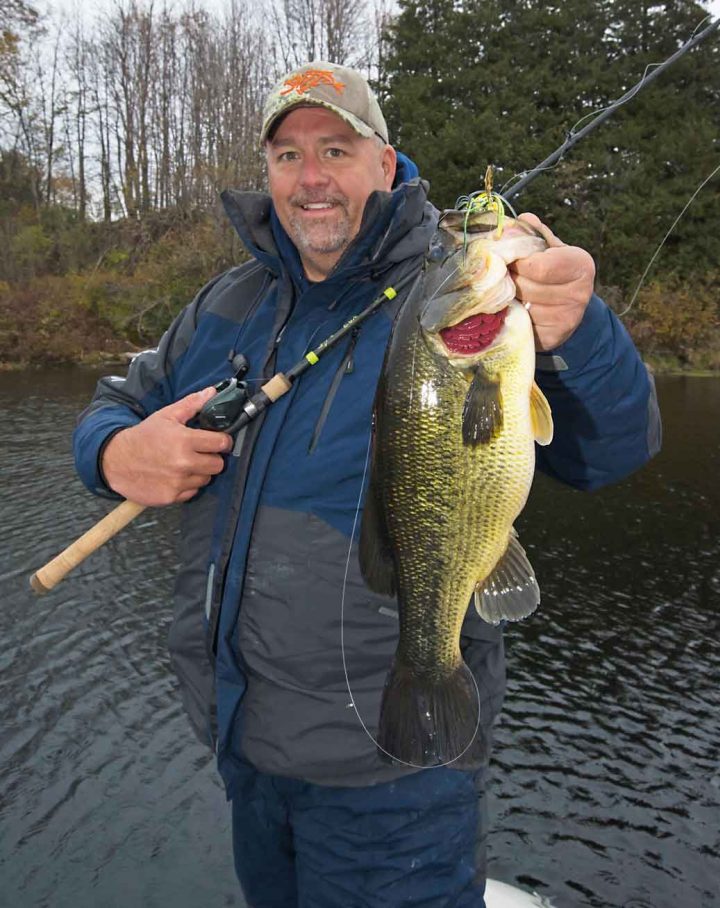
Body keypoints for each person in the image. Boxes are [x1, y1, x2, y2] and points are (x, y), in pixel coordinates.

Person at [74, 61, 661, 907]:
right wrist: (114, 453)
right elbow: (119, 402)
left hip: (394, 780)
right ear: (267, 171)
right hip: (244, 747)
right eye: (287, 155)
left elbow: (614, 450)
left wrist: (579, 331)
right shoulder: (225, 304)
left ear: (385, 165)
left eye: (337, 149)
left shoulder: (464, 298)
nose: (310, 178)